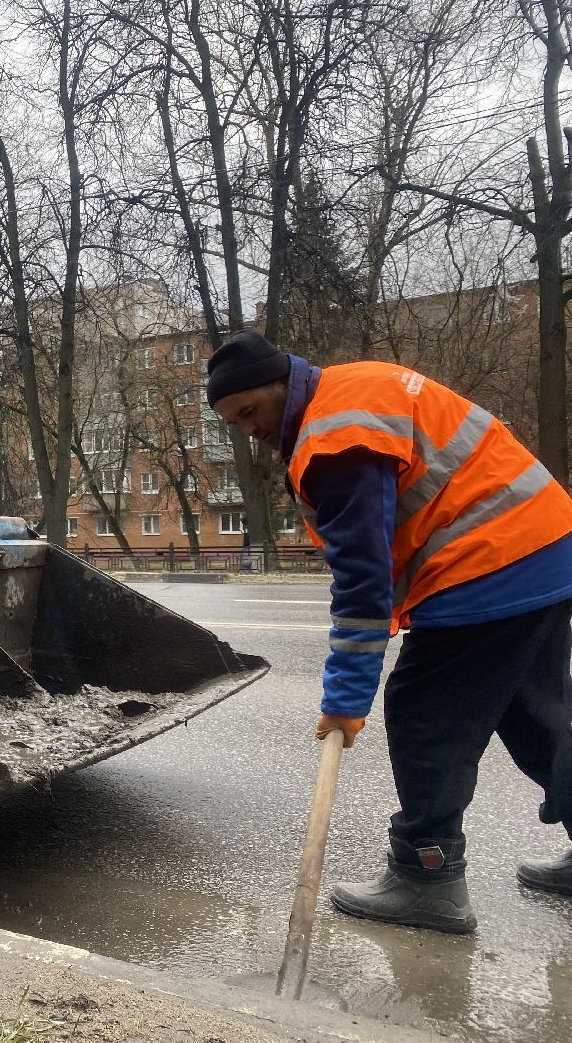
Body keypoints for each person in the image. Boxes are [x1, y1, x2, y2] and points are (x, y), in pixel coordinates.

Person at [205, 330, 572, 934]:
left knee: (426, 716)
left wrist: (345, 701)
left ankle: (426, 878)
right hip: (543, 547)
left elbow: (362, 582)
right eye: (234, 423)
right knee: (536, 716)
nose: (249, 429)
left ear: (280, 385)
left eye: (250, 411)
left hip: (487, 564)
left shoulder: (335, 440)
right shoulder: (356, 386)